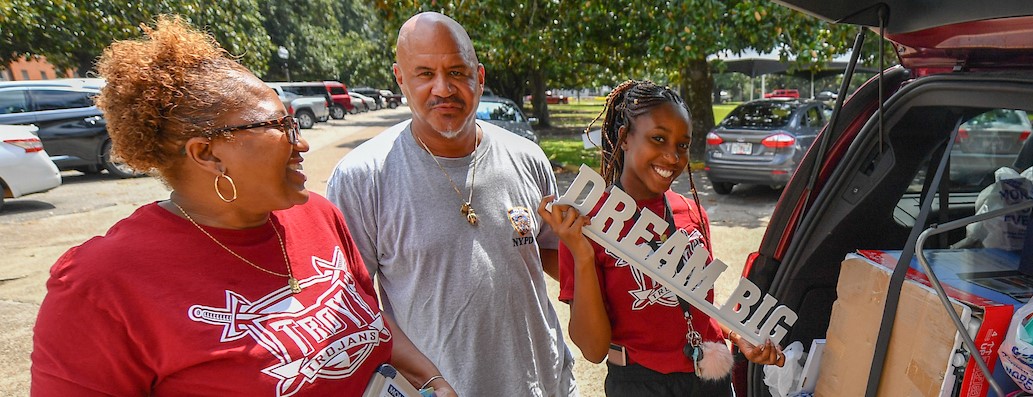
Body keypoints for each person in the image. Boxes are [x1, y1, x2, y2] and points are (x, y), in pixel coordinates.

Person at [31, 16, 455, 397]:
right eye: (279, 126)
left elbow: (370, 322)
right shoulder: (100, 287)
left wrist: (431, 380)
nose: (302, 141)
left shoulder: (320, 217)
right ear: (207, 154)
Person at [327, 11, 577, 397]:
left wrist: (604, 261)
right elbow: (353, 307)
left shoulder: (527, 157)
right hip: (443, 390)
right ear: (400, 79)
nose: (443, 88)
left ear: (479, 77)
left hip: (544, 383)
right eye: (425, 74)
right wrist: (428, 381)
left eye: (457, 72)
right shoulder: (362, 177)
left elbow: (554, 255)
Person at [537, 80, 785, 396]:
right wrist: (582, 254)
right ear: (625, 138)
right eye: (658, 139)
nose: (672, 157)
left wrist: (738, 334)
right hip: (640, 383)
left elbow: (699, 302)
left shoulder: (691, 212)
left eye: (682, 145)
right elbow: (593, 349)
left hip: (710, 379)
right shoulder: (587, 224)